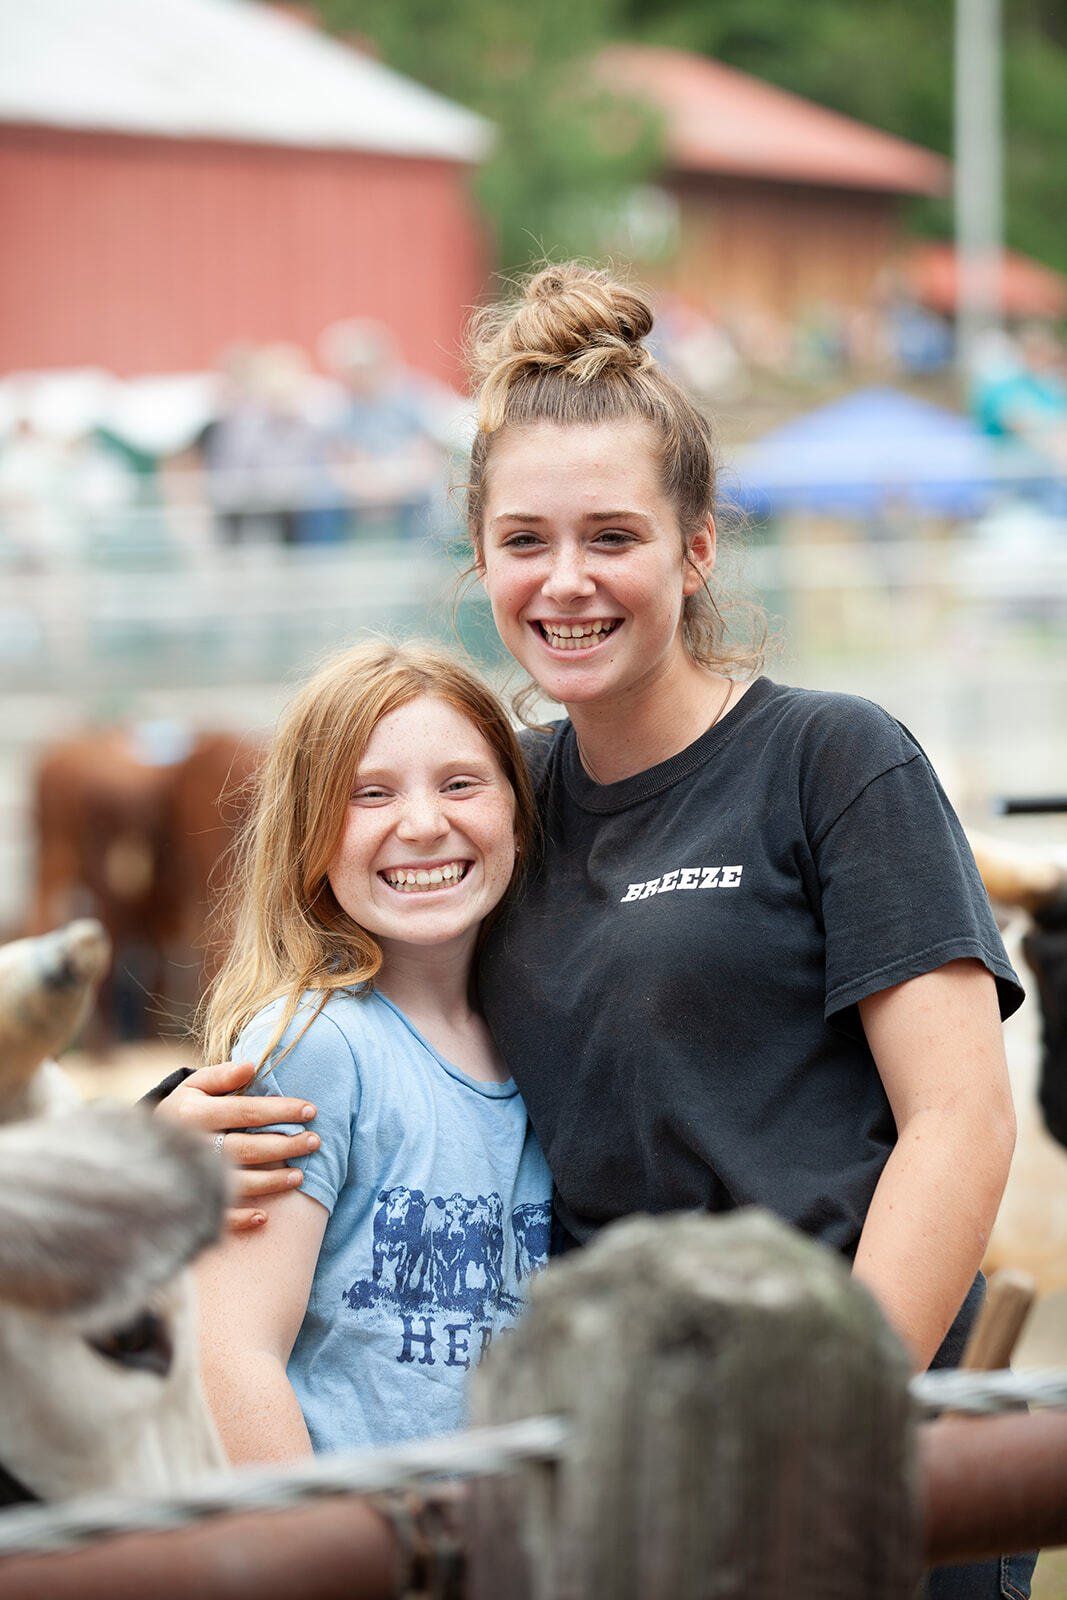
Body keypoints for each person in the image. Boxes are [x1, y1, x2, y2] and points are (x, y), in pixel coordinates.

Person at [161, 265, 1029, 1595]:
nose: (564, 582)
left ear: (693, 550)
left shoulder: (828, 762)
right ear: (481, 557)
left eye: (610, 536)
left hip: (834, 1446)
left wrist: (824, 1421)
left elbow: (956, 1124)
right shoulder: (497, 807)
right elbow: (340, 1008)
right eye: (524, 541)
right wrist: (167, 1130)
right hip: (609, 1469)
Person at [189, 639, 551, 1463]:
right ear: (309, 837)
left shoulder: (541, 1043)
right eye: (368, 795)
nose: (423, 825)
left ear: (518, 817)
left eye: (460, 783)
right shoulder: (316, 1043)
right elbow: (231, 1356)